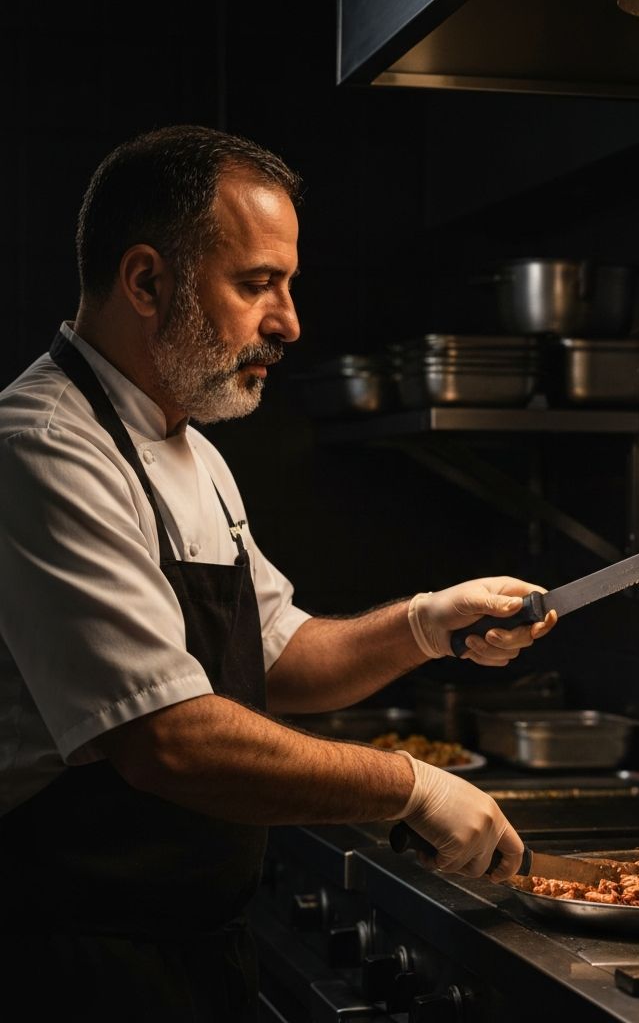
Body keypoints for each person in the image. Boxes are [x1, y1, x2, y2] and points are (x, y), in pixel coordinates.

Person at [0, 124, 555, 1020]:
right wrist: (410, 784)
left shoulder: (189, 446)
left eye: (286, 285)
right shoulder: (43, 450)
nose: (289, 321)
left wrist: (424, 622)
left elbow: (280, 654)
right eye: (257, 284)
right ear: (146, 280)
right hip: (68, 958)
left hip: (196, 945)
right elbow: (168, 740)